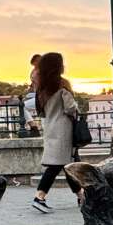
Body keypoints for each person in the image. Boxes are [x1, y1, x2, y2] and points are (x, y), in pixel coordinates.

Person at [31, 52, 83, 213]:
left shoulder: (42, 87)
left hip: (50, 127)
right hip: (64, 129)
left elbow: (41, 112)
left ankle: (81, 195)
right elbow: (70, 108)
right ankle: (39, 197)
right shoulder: (62, 85)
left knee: (69, 164)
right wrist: (76, 109)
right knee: (58, 166)